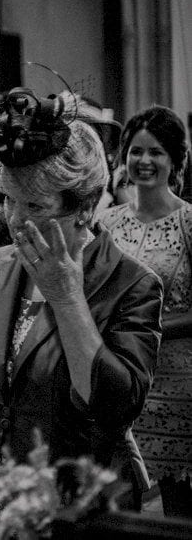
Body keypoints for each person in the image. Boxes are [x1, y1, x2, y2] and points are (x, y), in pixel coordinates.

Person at [0, 88, 162, 538]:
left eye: (34, 206)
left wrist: (67, 297)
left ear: (86, 207)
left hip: (77, 505)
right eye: (8, 199)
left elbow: (114, 406)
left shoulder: (133, 285)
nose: (14, 219)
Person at [97, 105, 192, 518]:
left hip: (177, 384)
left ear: (174, 161)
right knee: (117, 503)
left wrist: (145, 328)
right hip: (118, 380)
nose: (145, 161)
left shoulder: (189, 222)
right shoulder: (106, 223)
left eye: (156, 152)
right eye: (136, 151)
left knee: (176, 508)